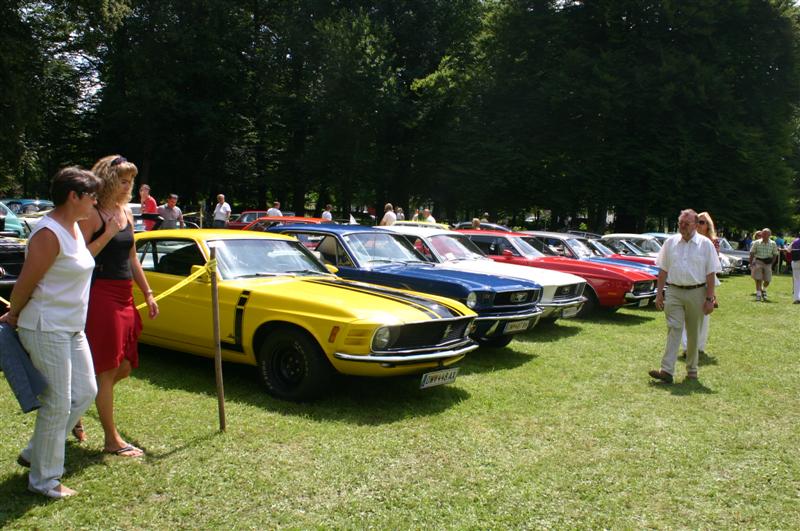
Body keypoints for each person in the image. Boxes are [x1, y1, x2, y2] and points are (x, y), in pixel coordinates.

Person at [1, 167, 100, 498]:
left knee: (85, 391)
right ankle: (44, 480)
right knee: (57, 403)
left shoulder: (73, 228)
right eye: (91, 196)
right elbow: (26, 282)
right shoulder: (48, 233)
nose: (95, 202)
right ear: (73, 196)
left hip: (72, 327)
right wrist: (13, 314)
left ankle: (34, 454)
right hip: (45, 326)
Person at [80, 155, 159, 458]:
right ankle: (112, 440)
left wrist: (148, 293)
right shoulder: (93, 214)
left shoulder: (126, 210)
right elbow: (81, 256)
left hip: (125, 294)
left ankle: (74, 410)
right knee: (107, 368)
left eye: (131, 181)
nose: (129, 186)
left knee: (124, 366)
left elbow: (132, 257)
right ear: (109, 180)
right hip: (101, 293)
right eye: (123, 180)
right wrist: (109, 233)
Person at [649, 209, 720, 384]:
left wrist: (710, 299)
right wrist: (659, 294)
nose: (682, 226)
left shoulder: (705, 245)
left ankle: (692, 371)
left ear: (695, 225)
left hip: (697, 292)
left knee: (694, 333)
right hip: (673, 291)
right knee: (674, 328)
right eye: (680, 223)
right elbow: (663, 269)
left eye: (686, 223)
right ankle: (666, 371)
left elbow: (711, 274)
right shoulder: (670, 242)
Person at [681, 211, 719, 357]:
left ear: (707, 226)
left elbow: (713, 269)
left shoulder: (713, 242)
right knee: (686, 316)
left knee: (703, 316)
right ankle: (687, 347)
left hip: (705, 283)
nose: (699, 225)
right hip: (689, 283)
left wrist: (712, 293)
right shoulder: (687, 239)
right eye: (698, 222)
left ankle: (699, 346)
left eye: (702, 222)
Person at [749, 228, 779, 301]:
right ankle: (758, 295)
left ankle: (764, 289)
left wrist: (772, 263)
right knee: (758, 279)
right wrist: (751, 263)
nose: (764, 235)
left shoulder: (773, 243)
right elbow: (752, 253)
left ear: (770, 235)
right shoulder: (756, 242)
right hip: (758, 261)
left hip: (768, 263)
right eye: (763, 233)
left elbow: (775, 254)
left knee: (768, 280)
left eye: (766, 234)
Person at [791, 231, 800, 304]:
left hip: (796, 262)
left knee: (797, 281)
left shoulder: (795, 241)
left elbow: (788, 250)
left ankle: (796, 298)